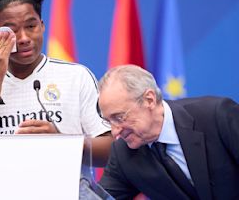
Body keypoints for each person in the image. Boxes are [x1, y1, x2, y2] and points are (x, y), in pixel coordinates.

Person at [0, 0, 113, 167]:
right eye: (12, 31)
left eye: (31, 26)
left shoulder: (77, 77)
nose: (24, 38)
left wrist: (62, 142)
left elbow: (111, 152)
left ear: (42, 26)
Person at [96, 64, 239, 199]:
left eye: (120, 117)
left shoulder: (216, 116)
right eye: (109, 121)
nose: (115, 132)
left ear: (149, 100)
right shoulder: (123, 154)